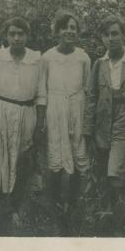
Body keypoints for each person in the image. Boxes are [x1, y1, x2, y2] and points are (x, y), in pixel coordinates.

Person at [0, 17, 46, 223]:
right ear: (6, 36)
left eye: (21, 34)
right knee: (0, 154)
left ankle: (17, 204)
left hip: (27, 111)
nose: (17, 38)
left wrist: (39, 123)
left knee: (22, 157)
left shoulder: (37, 59)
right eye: (12, 34)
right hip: (2, 109)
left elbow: (41, 93)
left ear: (27, 36)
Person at [84, 16, 125, 211]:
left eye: (115, 33)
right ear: (102, 39)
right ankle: (106, 211)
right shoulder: (99, 64)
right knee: (102, 167)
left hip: (124, 117)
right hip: (102, 120)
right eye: (106, 35)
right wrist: (88, 129)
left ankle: (115, 213)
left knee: (115, 169)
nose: (111, 38)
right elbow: (91, 97)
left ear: (124, 36)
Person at [41, 11, 91, 210]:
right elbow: (42, 89)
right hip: (54, 109)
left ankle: (73, 200)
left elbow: (87, 88)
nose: (69, 31)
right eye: (65, 27)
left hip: (76, 108)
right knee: (55, 150)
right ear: (57, 31)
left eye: (73, 28)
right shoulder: (47, 57)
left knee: (78, 150)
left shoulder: (83, 57)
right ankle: (54, 201)